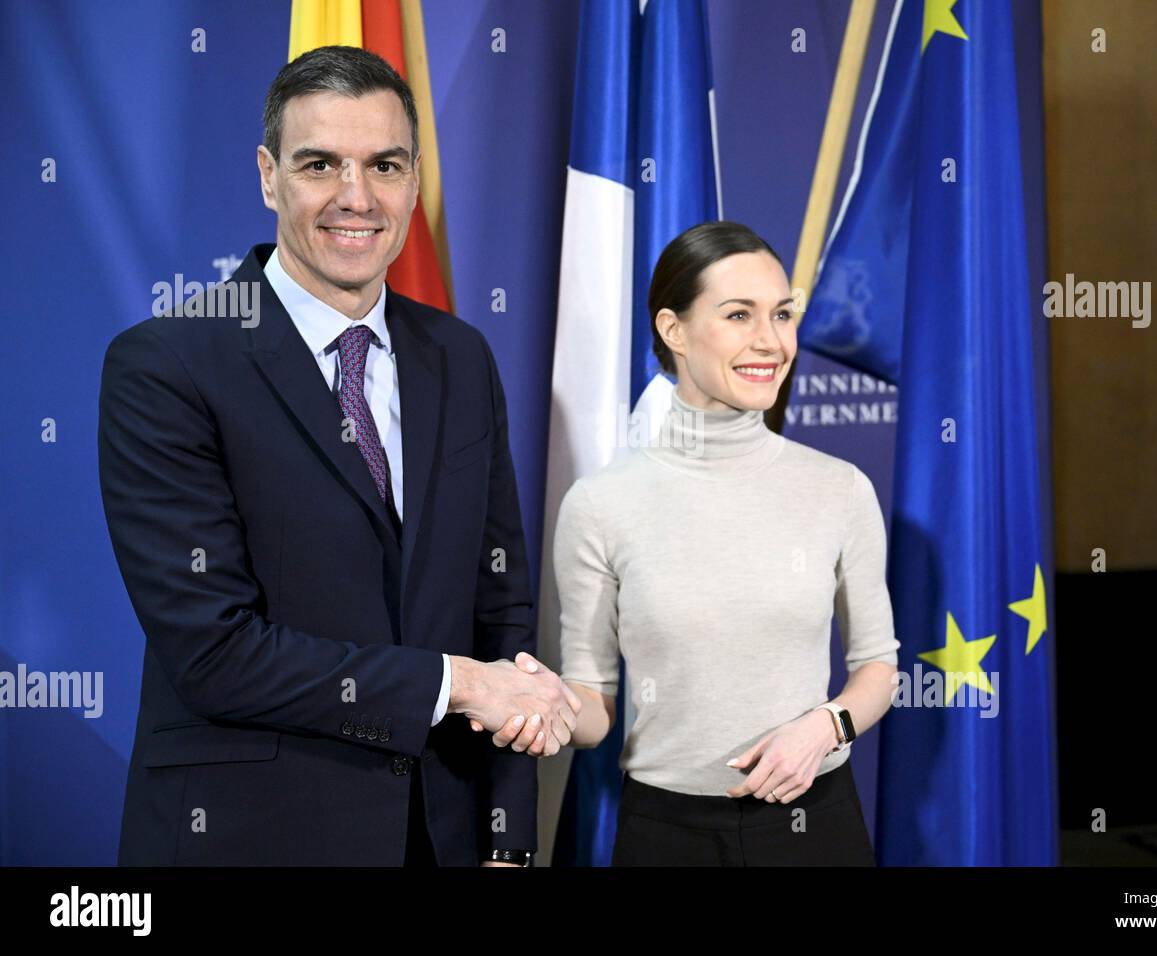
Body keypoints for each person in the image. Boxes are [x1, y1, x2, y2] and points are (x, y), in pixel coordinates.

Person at [98, 45, 579, 867]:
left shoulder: (460, 358)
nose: (356, 197)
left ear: (415, 178)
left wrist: (505, 842)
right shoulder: (166, 363)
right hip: (250, 839)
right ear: (268, 176)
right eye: (320, 163)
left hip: (443, 838)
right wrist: (455, 684)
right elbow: (216, 653)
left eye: (384, 165)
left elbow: (501, 616)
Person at [487, 220, 900, 865]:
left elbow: (878, 667)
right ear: (673, 330)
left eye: (782, 314)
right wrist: (545, 708)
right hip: (665, 835)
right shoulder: (600, 505)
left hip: (814, 827)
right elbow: (594, 703)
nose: (770, 341)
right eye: (739, 315)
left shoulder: (839, 489)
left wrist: (825, 727)